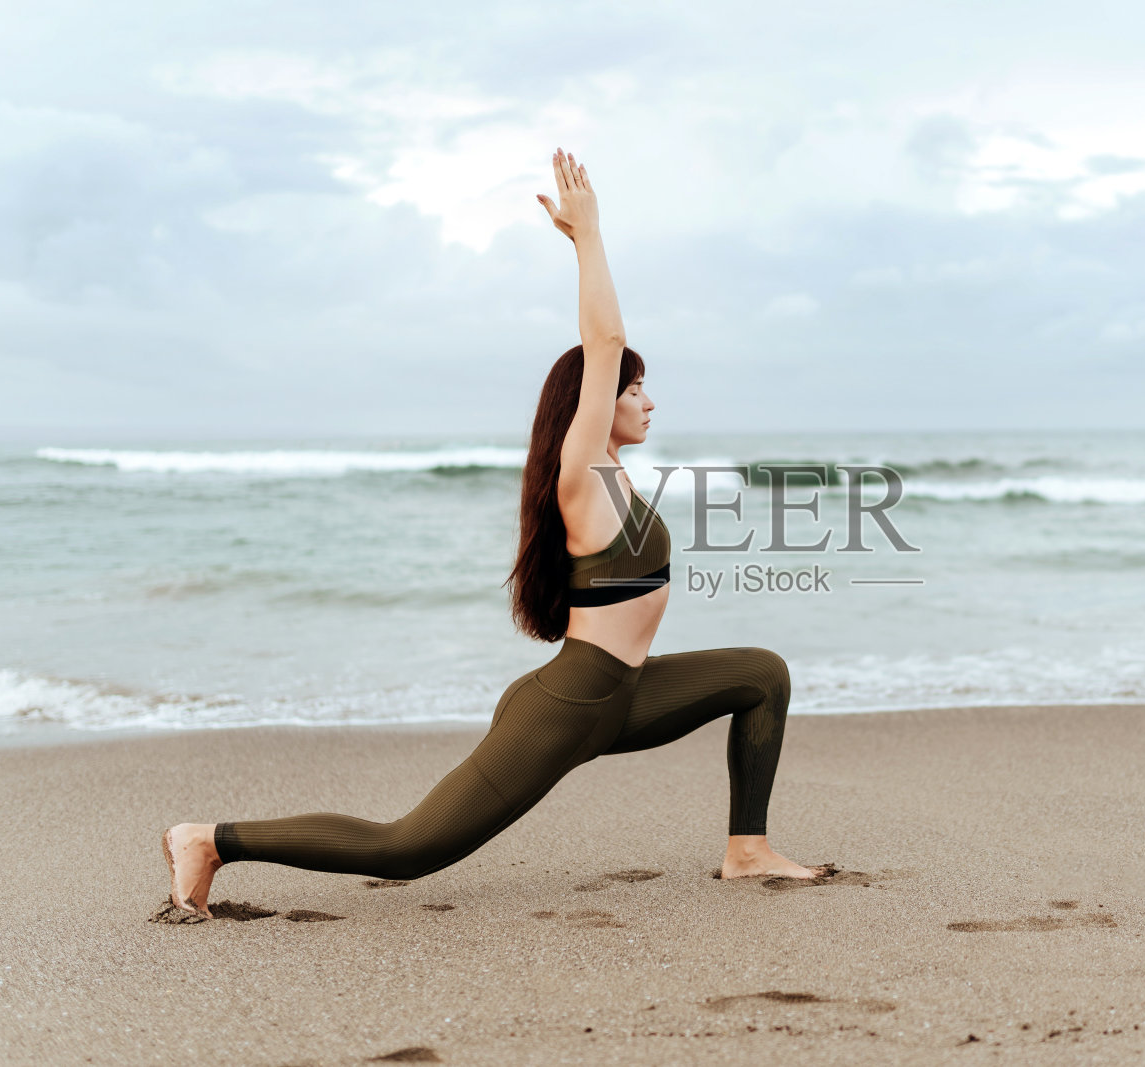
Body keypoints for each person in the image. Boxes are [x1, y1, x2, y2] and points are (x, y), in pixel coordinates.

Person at [161, 148, 817, 918]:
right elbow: (604, 342)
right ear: (594, 404)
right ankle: (210, 838)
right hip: (568, 704)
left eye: (643, 387)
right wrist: (589, 236)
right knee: (408, 848)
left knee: (762, 674)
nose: (648, 401)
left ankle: (747, 850)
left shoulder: (618, 476)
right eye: (635, 388)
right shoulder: (581, 477)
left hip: (627, 693)